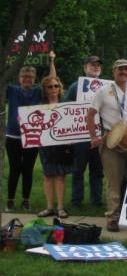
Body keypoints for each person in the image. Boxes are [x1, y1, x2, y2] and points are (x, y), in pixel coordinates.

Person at [87, 59, 127, 232]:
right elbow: (91, 115)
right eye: (120, 69)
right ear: (113, 71)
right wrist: (94, 136)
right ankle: (112, 217)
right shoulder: (103, 91)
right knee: (114, 180)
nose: (124, 71)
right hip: (110, 141)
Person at [5, 53, 56, 211]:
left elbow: (52, 81)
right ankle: (10, 200)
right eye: (24, 76)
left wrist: (52, 61)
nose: (27, 79)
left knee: (27, 168)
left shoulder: (38, 92)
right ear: (19, 78)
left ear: (34, 79)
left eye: (30, 77)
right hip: (13, 136)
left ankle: (26, 200)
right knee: (14, 168)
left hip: (32, 137)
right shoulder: (11, 90)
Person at [63, 54, 104, 208]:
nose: (96, 67)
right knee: (78, 170)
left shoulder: (106, 87)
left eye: (98, 64)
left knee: (97, 170)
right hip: (80, 136)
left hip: (99, 135)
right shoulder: (76, 86)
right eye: (93, 64)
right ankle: (76, 201)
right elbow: (65, 109)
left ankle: (96, 200)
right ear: (85, 67)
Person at [35, 75, 74, 219]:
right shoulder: (39, 106)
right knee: (48, 176)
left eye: (56, 86)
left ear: (60, 88)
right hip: (45, 146)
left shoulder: (67, 105)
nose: (53, 89)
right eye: (50, 86)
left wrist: (71, 138)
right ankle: (49, 207)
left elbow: (73, 125)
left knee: (60, 176)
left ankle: (60, 208)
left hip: (62, 145)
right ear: (44, 89)